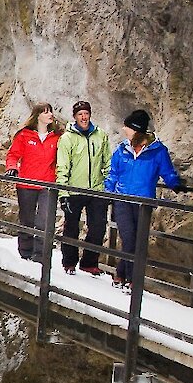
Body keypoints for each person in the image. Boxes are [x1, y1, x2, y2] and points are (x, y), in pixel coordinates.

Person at [104, 108, 182, 290]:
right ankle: (133, 280)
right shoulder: (121, 149)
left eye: (128, 127)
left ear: (136, 129)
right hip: (122, 199)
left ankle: (121, 273)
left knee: (137, 241)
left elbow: (167, 171)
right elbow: (113, 174)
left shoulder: (157, 151)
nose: (124, 129)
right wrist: (107, 193)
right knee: (129, 238)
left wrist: (175, 183)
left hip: (144, 202)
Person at [55, 99, 113, 275]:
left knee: (98, 227)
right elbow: (62, 166)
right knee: (71, 227)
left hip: (96, 189)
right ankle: (69, 262)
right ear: (75, 117)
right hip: (74, 190)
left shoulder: (100, 135)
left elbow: (108, 161)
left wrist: (108, 187)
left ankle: (89, 262)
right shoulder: (67, 138)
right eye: (80, 114)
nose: (84, 117)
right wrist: (63, 193)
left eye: (86, 113)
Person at [4, 102, 62, 263]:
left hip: (48, 183)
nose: (50, 114)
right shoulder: (24, 135)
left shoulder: (57, 137)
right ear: (37, 116)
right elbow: (13, 155)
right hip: (26, 182)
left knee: (45, 220)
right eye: (45, 112)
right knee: (27, 219)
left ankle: (40, 255)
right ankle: (25, 252)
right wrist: (12, 168)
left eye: (50, 111)